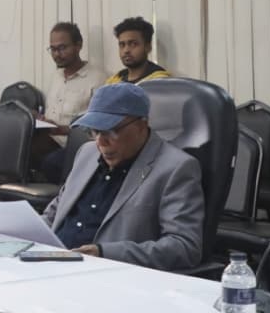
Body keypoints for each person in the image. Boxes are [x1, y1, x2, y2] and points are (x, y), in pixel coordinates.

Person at [42, 84, 205, 272]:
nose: (101, 142)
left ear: (142, 125)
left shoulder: (175, 168)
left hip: (106, 275)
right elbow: (55, 211)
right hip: (52, 263)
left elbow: (184, 247)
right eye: (94, 131)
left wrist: (104, 253)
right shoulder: (87, 152)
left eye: (111, 131)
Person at [37, 22, 105, 182]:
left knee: (49, 162)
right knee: (9, 140)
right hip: (50, 139)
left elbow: (99, 127)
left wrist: (64, 130)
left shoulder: (98, 79)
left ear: (78, 45)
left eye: (62, 48)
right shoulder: (56, 76)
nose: (57, 54)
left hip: (75, 145)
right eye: (53, 49)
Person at [105, 17, 170, 84]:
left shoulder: (160, 82)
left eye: (133, 44)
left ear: (148, 47)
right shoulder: (113, 82)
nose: (126, 50)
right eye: (122, 45)